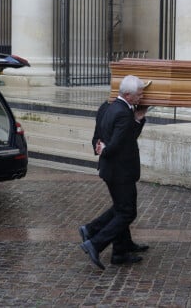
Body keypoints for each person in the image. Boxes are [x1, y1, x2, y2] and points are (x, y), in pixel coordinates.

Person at [79, 75, 149, 270]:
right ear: (127, 94)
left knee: (120, 209)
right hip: (120, 171)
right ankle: (95, 242)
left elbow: (108, 136)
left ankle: (119, 250)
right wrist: (104, 149)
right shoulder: (123, 114)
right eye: (139, 94)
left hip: (112, 170)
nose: (142, 97)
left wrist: (138, 119)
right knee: (127, 212)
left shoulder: (108, 108)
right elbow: (118, 143)